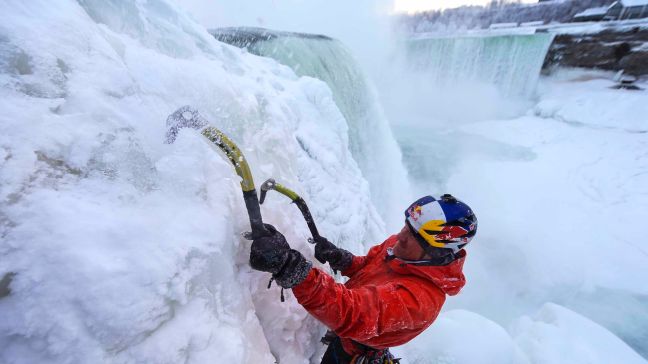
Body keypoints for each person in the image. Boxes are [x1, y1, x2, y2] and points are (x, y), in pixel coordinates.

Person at [249, 194, 478, 364]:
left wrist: (291, 267)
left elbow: (351, 312)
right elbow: (369, 266)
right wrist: (342, 259)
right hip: (351, 340)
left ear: (437, 251)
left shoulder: (419, 302)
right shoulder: (402, 249)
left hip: (354, 352)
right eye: (407, 227)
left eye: (414, 236)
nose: (400, 236)